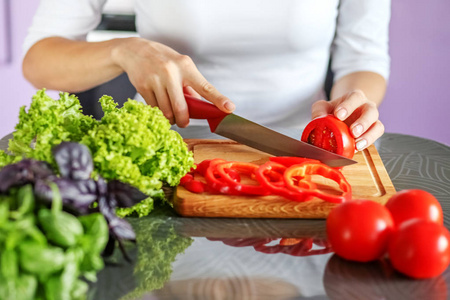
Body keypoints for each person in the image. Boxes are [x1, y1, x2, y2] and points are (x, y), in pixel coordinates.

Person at [22, 0, 390, 151]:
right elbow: (38, 59)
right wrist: (124, 50)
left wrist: (353, 104)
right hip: (167, 147)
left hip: (303, 148)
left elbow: (363, 56)